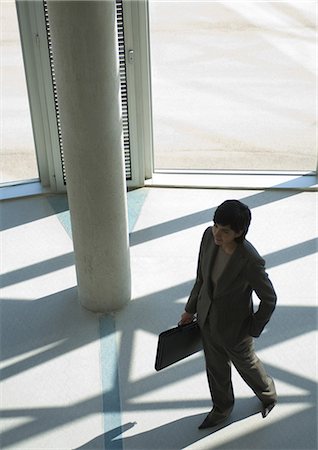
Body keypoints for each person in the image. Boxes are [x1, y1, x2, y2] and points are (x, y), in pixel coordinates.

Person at [179, 199, 277, 429]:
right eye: (215, 226)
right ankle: (222, 408)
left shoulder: (250, 261)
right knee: (215, 368)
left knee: (247, 366)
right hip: (207, 319)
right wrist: (190, 309)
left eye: (224, 231)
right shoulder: (207, 237)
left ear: (239, 232)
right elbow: (201, 279)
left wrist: (253, 328)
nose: (217, 233)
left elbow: (269, 298)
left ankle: (268, 394)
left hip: (236, 328)